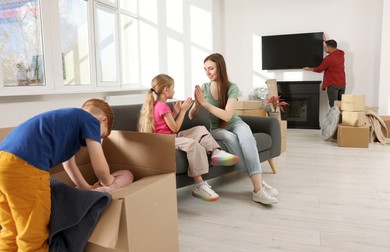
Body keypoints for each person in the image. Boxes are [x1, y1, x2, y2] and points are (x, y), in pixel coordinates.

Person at [0, 98, 134, 251]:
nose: (98, 140)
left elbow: (69, 165)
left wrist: (87, 188)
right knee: (33, 235)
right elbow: (101, 170)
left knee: (10, 231)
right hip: (26, 167)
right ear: (103, 121)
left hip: (3, 162)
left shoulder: (68, 122)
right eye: (101, 136)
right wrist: (108, 181)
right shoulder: (91, 121)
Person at [189, 53, 278, 205]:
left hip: (235, 123)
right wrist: (197, 105)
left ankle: (258, 189)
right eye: (205, 69)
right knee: (230, 138)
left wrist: (205, 104)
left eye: (211, 68)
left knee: (246, 136)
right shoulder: (204, 88)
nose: (207, 73)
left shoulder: (232, 87)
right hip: (216, 129)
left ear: (220, 68)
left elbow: (228, 116)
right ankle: (259, 186)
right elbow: (191, 116)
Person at [138, 74, 239, 202]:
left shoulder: (158, 104)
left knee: (200, 129)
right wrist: (183, 111)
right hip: (166, 140)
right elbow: (175, 128)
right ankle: (198, 184)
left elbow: (164, 125)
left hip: (169, 137)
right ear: (166, 90)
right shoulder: (162, 106)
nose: (174, 91)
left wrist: (174, 112)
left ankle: (216, 152)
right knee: (193, 145)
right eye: (173, 88)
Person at [303, 38, 346, 107]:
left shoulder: (329, 58)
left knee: (333, 106)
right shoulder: (341, 54)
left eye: (325, 47)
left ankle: (335, 118)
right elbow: (332, 46)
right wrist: (326, 41)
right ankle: (342, 118)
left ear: (329, 47)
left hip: (333, 84)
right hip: (342, 84)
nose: (324, 49)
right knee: (341, 105)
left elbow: (319, 69)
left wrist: (309, 69)